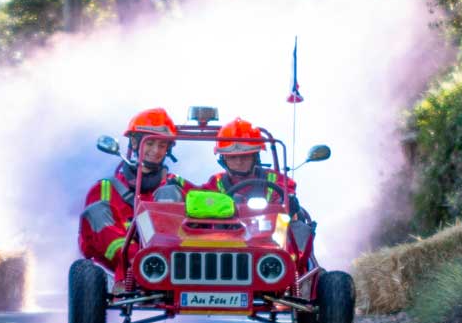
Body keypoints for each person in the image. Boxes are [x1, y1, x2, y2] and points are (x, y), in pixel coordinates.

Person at [78, 108, 191, 269]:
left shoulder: (178, 186)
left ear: (168, 149)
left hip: (173, 266)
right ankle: (139, 262)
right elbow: (88, 243)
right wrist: (134, 257)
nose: (155, 151)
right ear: (134, 143)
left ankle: (162, 261)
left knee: (169, 192)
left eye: (162, 145)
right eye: (150, 143)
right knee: (96, 210)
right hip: (124, 269)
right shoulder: (104, 189)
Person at [202, 117, 307, 220]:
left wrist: (286, 202)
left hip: (268, 233)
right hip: (221, 235)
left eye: (245, 156)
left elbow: (287, 192)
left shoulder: (275, 180)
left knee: (298, 224)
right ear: (223, 159)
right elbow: (196, 198)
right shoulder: (215, 182)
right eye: (232, 157)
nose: (239, 162)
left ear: (255, 156)